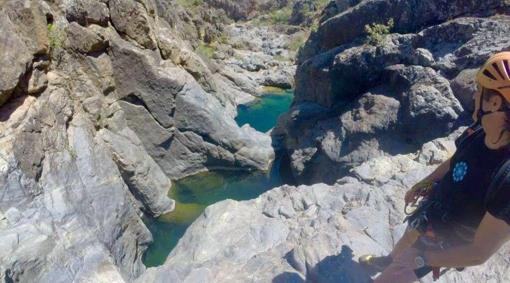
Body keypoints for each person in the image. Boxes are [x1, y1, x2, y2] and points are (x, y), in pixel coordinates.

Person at [359, 52, 510, 282]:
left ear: (495, 102)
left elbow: (479, 252)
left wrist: (422, 258)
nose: (474, 95)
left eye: (480, 90)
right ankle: (390, 258)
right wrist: (426, 182)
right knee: (410, 235)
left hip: (447, 243)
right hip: (436, 211)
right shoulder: (478, 132)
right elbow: (456, 161)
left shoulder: (507, 177)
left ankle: (396, 266)